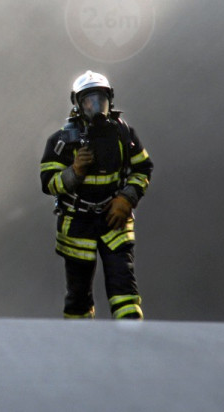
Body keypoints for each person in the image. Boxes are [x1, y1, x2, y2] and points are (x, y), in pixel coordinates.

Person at [40, 71, 153, 319]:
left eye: (100, 100)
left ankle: (131, 342)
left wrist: (127, 198)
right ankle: (80, 349)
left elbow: (143, 168)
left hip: (115, 220)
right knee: (78, 297)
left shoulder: (124, 134)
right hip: (77, 223)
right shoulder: (62, 141)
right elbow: (49, 183)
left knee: (124, 290)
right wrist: (74, 172)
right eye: (89, 101)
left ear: (109, 100)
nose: (95, 107)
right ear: (78, 103)